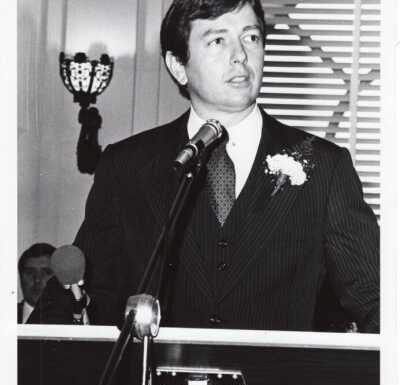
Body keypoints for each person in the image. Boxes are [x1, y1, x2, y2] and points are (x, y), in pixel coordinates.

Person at [75, 0, 379, 332]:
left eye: (251, 38)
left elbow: (375, 299)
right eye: (218, 40)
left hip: (283, 368)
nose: (240, 55)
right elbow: (88, 295)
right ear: (178, 66)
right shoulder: (126, 166)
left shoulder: (326, 168)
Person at [18, 243, 55, 323]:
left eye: (46, 272)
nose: (37, 279)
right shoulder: (5, 316)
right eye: (30, 272)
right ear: (20, 277)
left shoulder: (75, 319)